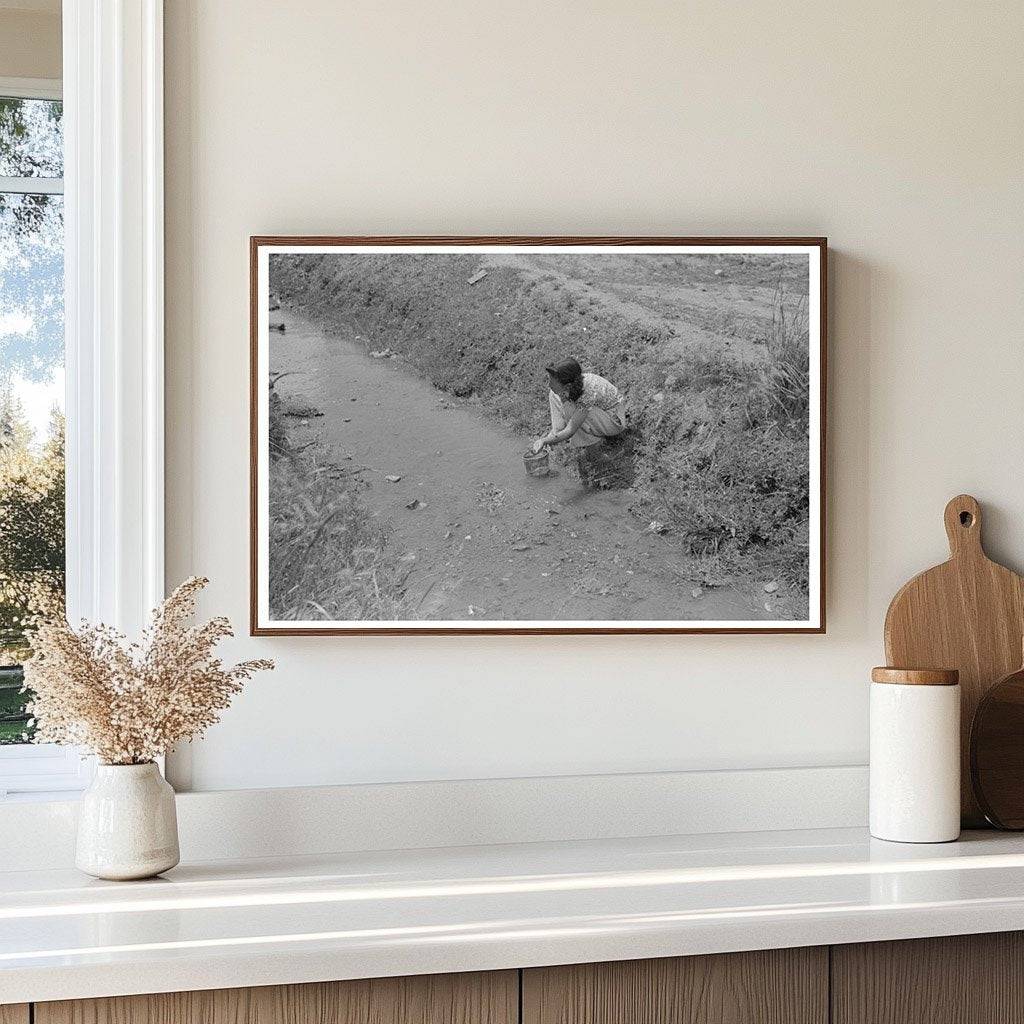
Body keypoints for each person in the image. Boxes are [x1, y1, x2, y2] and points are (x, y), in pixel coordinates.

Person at [532, 357, 627, 454]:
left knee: (574, 413)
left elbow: (570, 430)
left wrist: (544, 441)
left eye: (552, 382)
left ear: (567, 386)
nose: (549, 384)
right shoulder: (573, 383)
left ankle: (595, 447)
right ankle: (556, 437)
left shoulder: (588, 392)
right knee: (554, 394)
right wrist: (550, 438)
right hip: (597, 411)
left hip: (613, 420)